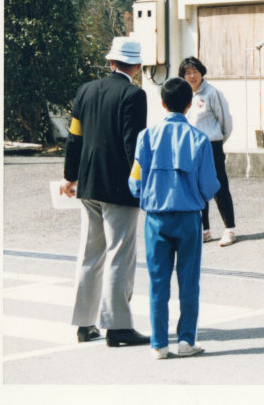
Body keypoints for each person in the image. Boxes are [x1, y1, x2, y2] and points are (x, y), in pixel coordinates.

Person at [60, 36, 150, 347]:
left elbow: (74, 137)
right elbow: (134, 145)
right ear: (136, 66)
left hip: (88, 184)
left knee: (90, 254)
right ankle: (118, 326)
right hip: (119, 188)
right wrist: (141, 184)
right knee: (119, 255)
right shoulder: (134, 95)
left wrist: (70, 177)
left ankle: (84, 324)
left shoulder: (85, 90)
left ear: (110, 61)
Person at [128, 78, 221, 359]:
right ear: (190, 104)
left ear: (162, 103)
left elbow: (134, 183)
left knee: (158, 283)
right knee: (189, 282)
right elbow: (209, 186)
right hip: (189, 218)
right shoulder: (199, 139)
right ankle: (186, 340)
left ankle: (158, 344)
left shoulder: (146, 137)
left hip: (156, 218)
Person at [179, 56, 236, 246]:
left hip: (211, 146)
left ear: (202, 72)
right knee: (196, 188)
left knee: (219, 187)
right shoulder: (184, 94)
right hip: (192, 148)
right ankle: (204, 230)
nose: (192, 75)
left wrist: (218, 141)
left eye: (195, 71)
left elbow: (225, 122)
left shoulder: (212, 93)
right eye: (187, 72)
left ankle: (229, 229)